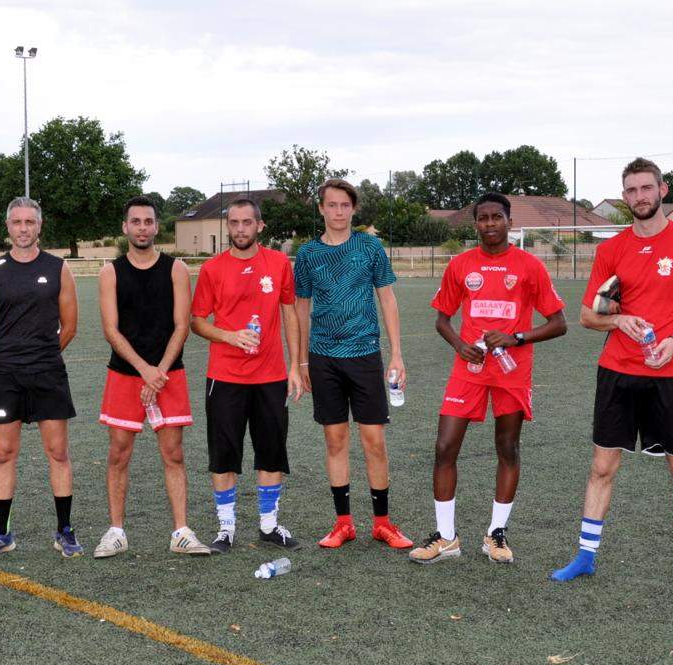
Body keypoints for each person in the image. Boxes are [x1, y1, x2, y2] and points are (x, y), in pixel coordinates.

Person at [550, 158, 673, 601]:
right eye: (631, 191)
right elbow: (589, 314)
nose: (639, 197)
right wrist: (619, 319)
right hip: (617, 373)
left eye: (646, 188)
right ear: (624, 196)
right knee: (602, 466)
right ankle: (585, 557)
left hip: (669, 374)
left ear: (663, 190)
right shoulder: (611, 250)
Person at [408, 193, 566, 565]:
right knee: (445, 447)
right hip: (469, 371)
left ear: (509, 221)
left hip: (512, 373)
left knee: (507, 449)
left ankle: (496, 534)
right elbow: (442, 319)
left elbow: (559, 323)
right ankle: (446, 537)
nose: (490, 224)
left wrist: (517, 337)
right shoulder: (461, 265)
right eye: (483, 218)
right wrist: (460, 345)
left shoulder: (529, 266)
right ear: (475, 223)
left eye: (497, 217)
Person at [293, 178, 413, 550]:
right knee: (335, 439)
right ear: (322, 209)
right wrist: (300, 362)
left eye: (345, 205)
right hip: (323, 357)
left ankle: (383, 523)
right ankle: (343, 523)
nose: (339, 212)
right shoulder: (309, 254)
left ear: (353, 209)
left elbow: (388, 300)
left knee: (374, 440)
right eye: (332, 205)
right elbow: (300, 307)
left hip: (364, 355)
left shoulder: (370, 247)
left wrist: (396, 354)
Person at [92, 196, 210, 558]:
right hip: (126, 375)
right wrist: (145, 371)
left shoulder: (175, 269)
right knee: (118, 453)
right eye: (136, 221)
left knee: (173, 454)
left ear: (158, 227)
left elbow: (181, 325)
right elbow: (111, 330)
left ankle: (181, 532)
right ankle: (116, 532)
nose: (142, 227)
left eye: (148, 221)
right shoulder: (110, 271)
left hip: (168, 373)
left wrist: (159, 372)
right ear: (125, 227)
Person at [190, 198, 306, 554]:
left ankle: (269, 526)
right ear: (229, 227)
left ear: (260, 226)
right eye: (234, 223)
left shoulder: (278, 264)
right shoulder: (212, 269)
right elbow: (197, 321)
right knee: (224, 455)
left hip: (270, 376)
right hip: (224, 376)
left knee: (271, 452)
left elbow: (290, 313)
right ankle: (226, 529)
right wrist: (229, 335)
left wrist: (295, 365)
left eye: (246, 222)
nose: (240, 229)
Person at [0, 197, 83, 559]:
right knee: (4, 453)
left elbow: (69, 326)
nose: (23, 229)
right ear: (7, 226)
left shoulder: (57, 268)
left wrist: (44, 356)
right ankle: (1, 532)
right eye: (17, 222)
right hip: (6, 376)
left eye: (29, 222)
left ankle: (64, 530)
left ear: (39, 225)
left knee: (58, 452)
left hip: (48, 372)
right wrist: (5, 359)